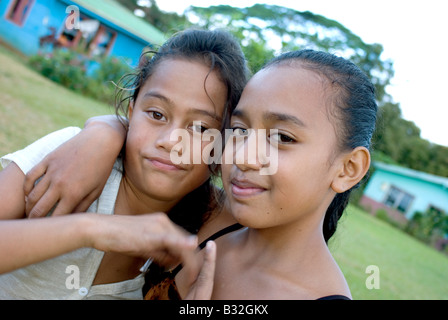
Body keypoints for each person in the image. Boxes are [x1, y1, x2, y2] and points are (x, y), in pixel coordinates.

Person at [22, 49, 377, 299]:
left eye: (282, 138)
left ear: (348, 168)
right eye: (238, 130)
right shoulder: (210, 221)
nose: (244, 156)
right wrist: (106, 130)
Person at [0, 28, 248, 299]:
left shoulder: (210, 230)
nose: (170, 142)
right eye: (156, 114)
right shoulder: (70, 155)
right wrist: (93, 229)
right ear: (131, 113)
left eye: (200, 128)